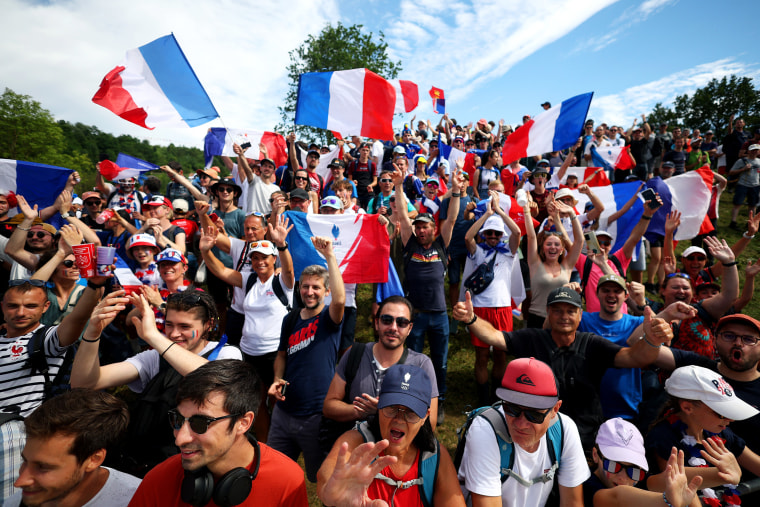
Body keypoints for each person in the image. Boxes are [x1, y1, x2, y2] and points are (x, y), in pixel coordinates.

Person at [453, 286, 674, 450]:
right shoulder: (533, 338)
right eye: (557, 311)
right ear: (548, 313)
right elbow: (494, 336)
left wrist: (652, 341)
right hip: (537, 435)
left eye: (571, 311)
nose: (564, 316)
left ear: (581, 314)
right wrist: (472, 318)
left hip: (584, 438)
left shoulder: (592, 344)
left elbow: (634, 357)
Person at [70, 289, 242, 477]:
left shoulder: (227, 354)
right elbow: (85, 382)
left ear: (208, 325)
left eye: (184, 326)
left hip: (197, 469)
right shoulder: (155, 358)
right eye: (169, 325)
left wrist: (153, 337)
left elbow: (209, 378)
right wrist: (93, 333)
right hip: (150, 468)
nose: (175, 334)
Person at [128, 359, 308, 506]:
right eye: (178, 419)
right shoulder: (159, 480)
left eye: (200, 423)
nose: (180, 439)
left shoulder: (288, 481)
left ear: (243, 423)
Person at [0, 273, 111, 497]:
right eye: (13, 306)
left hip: (19, 434)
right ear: (2, 306)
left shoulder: (46, 339)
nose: (21, 312)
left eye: (30, 306)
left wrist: (94, 285)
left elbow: (77, 318)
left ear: (45, 307)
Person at [317, 364, 465, 507]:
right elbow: (327, 475)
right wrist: (330, 495)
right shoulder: (357, 442)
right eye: (392, 408)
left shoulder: (434, 458)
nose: (399, 419)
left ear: (425, 417)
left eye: (411, 412)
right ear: (379, 406)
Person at [457, 357, 589, 506]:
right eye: (512, 409)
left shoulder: (564, 430)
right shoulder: (485, 431)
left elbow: (572, 503)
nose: (521, 424)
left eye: (534, 415)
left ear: (555, 410)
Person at [267, 237, 345, 483]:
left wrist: (330, 256)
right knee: (274, 474)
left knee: (321, 479)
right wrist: (278, 378)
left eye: (316, 287)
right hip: (283, 413)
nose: (309, 292)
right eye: (305, 286)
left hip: (316, 415)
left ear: (326, 291)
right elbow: (281, 355)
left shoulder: (329, 319)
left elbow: (341, 301)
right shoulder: (289, 319)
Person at [392, 163, 463, 422]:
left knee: (440, 363)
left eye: (425, 227)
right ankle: (410, 400)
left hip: (439, 316)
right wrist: (399, 186)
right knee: (410, 361)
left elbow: (453, 219)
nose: (421, 230)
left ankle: (439, 401)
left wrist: (455, 190)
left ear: (433, 229)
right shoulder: (410, 244)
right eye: (418, 226)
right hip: (416, 316)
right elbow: (401, 215)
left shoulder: (442, 246)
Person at [322, 296, 439, 438]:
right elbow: (329, 406)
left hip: (396, 454)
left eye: (401, 322)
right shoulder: (354, 354)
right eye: (387, 320)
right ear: (377, 323)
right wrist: (360, 411)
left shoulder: (422, 365)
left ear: (410, 328)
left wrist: (382, 410)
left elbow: (431, 423)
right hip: (353, 450)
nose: (393, 328)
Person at [6, 390, 141, 507]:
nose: (20, 482)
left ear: (94, 459)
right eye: (24, 461)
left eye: (43, 467)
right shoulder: (19, 502)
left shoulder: (142, 499)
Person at [645, 365, 760, 503]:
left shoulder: (719, 432)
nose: (731, 419)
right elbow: (676, 483)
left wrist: (731, 471)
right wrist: (725, 474)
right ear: (687, 407)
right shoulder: (663, 437)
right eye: (721, 412)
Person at [462, 194, 520, 406]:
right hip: (481, 309)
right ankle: (483, 399)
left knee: (501, 356)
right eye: (489, 233)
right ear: (484, 234)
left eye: (497, 233)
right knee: (482, 356)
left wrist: (500, 212)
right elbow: (468, 238)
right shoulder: (478, 251)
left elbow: (517, 232)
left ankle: (498, 396)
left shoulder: (509, 252)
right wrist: (487, 214)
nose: (493, 236)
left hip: (503, 309)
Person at [522, 193, 583, 328]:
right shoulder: (535, 263)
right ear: (542, 248)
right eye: (549, 244)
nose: (553, 247)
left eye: (557, 245)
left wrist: (572, 213)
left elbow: (579, 241)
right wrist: (526, 211)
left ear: (562, 250)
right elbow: (531, 237)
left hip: (559, 321)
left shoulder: (566, 266)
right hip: (536, 319)